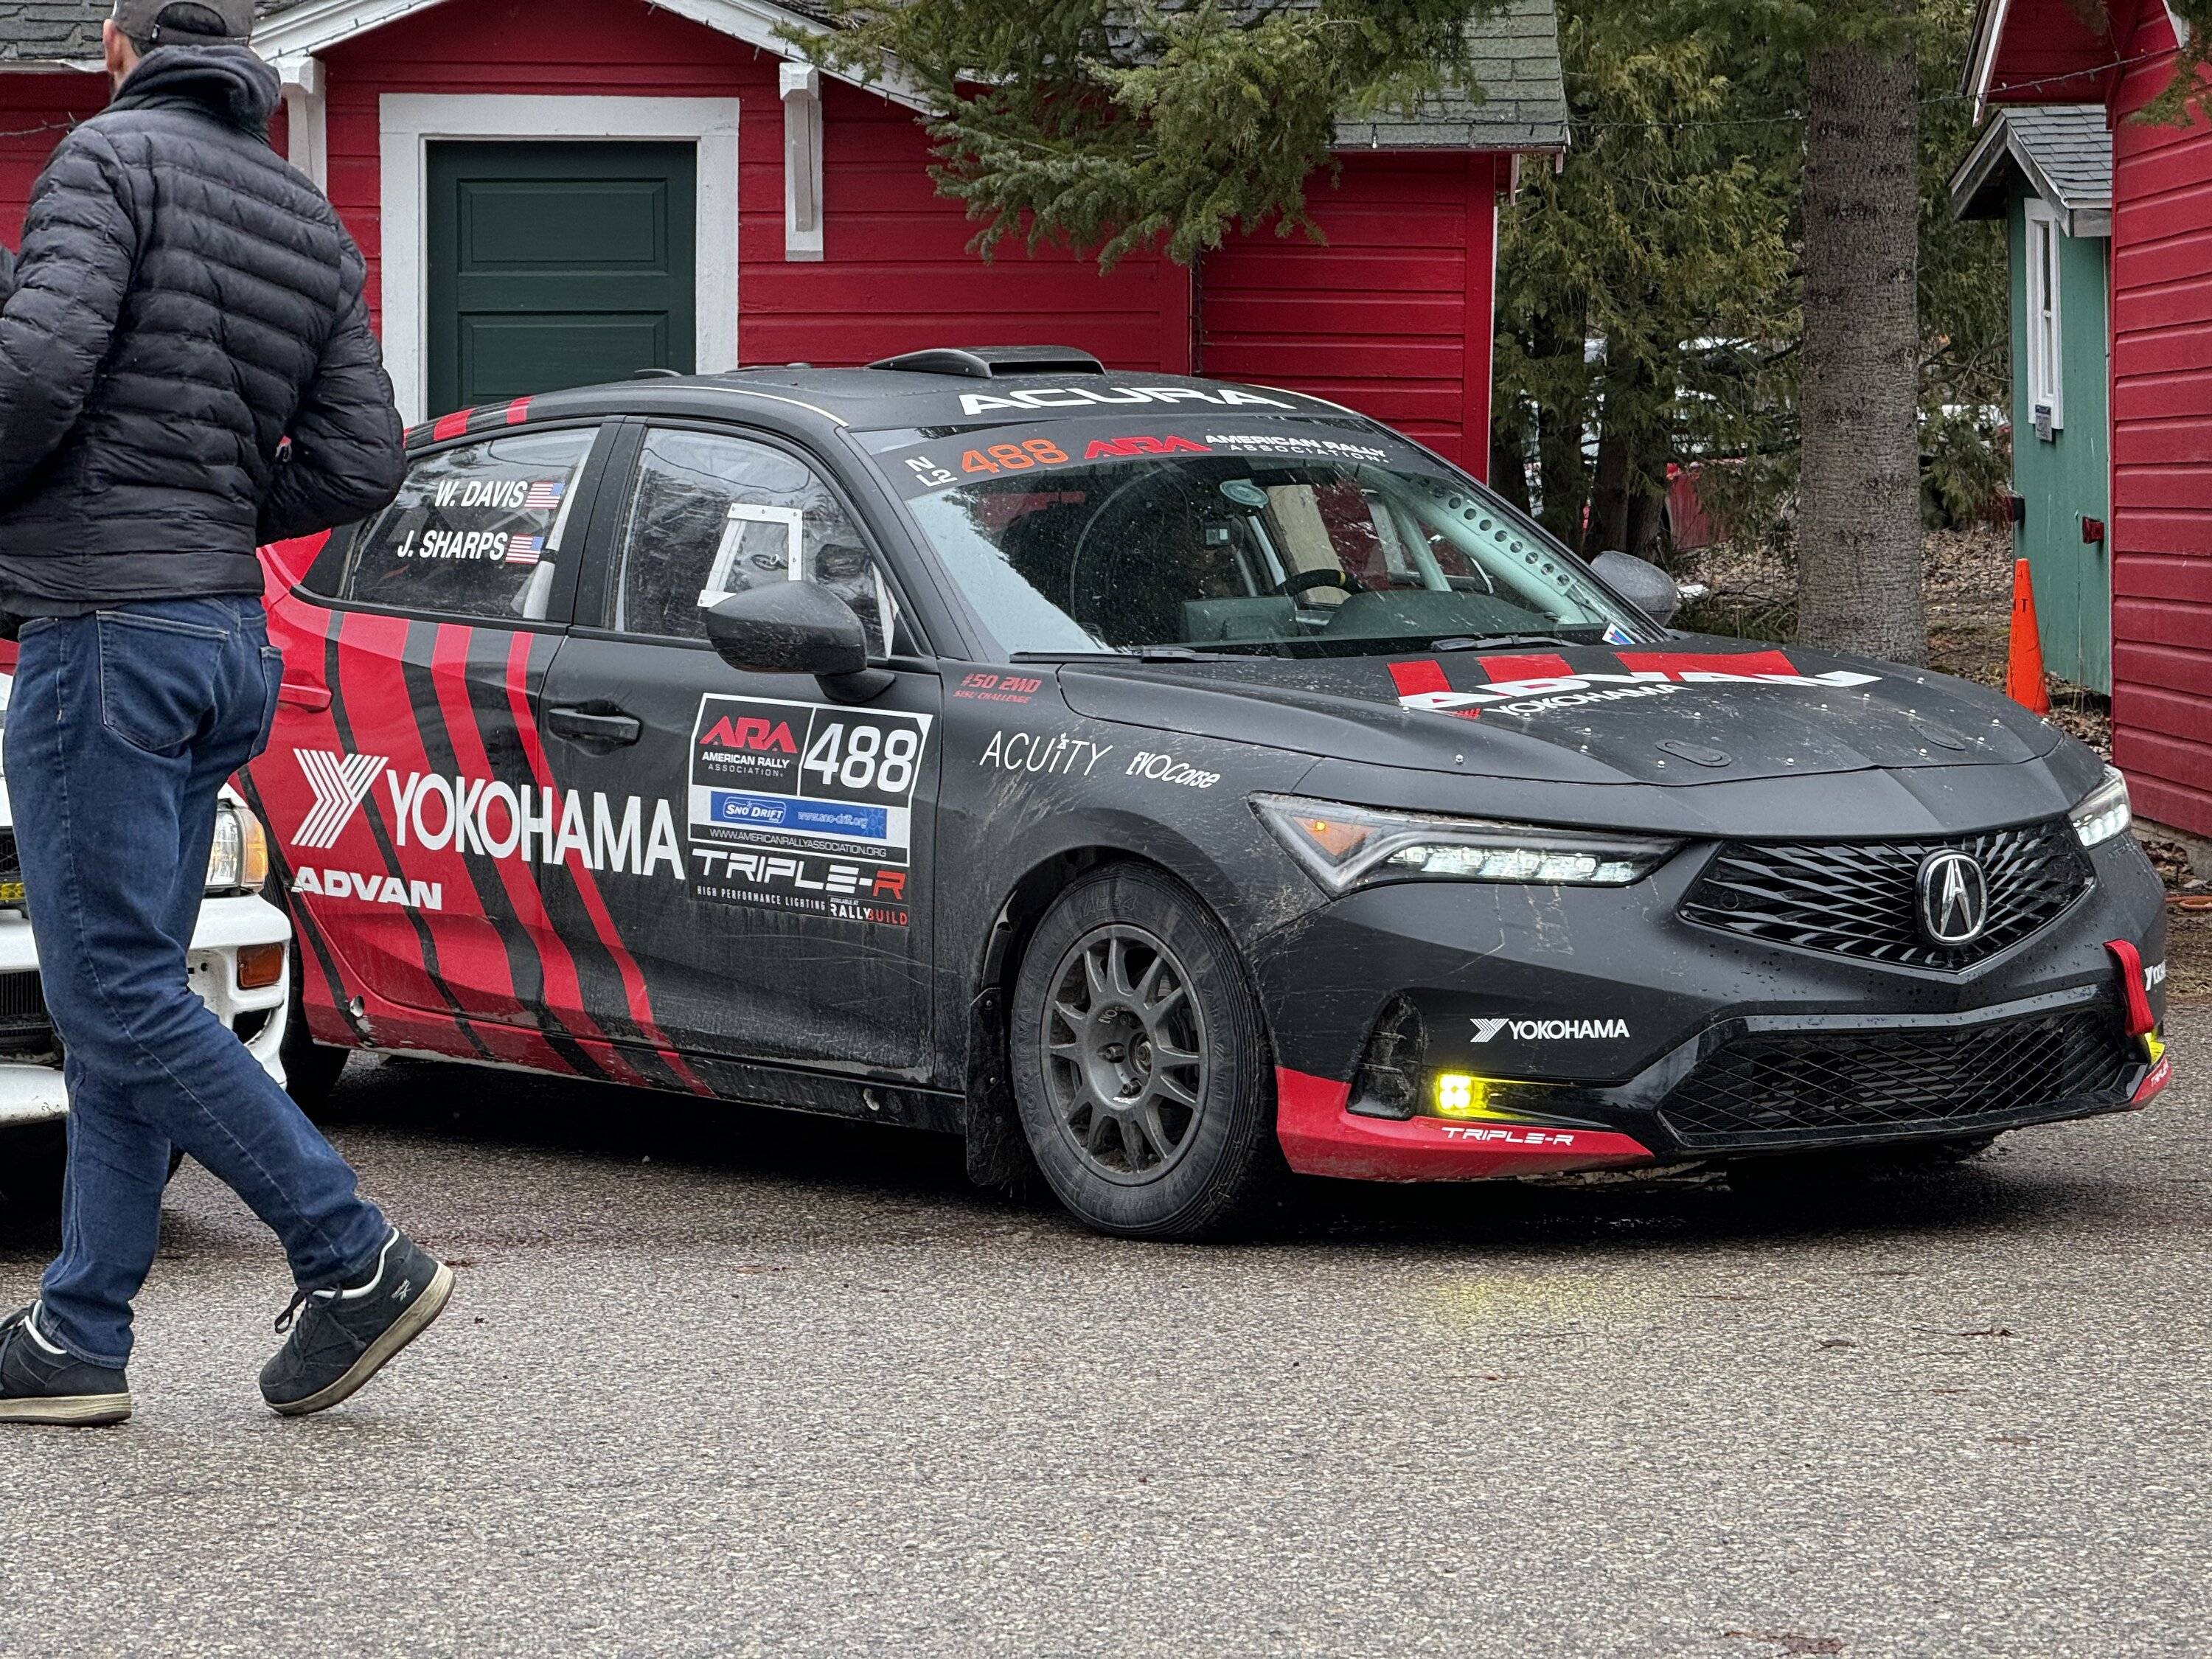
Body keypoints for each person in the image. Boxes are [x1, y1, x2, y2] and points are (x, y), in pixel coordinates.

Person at [0, 0, 450, 1427]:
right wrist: (211, 514)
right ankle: (80, 1330)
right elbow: (365, 456)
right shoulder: (307, 220)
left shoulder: (104, 162)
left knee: (112, 992)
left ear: (121, 44)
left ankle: (350, 1248)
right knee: (124, 984)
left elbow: (31, 375)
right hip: (218, 644)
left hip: (107, 638)